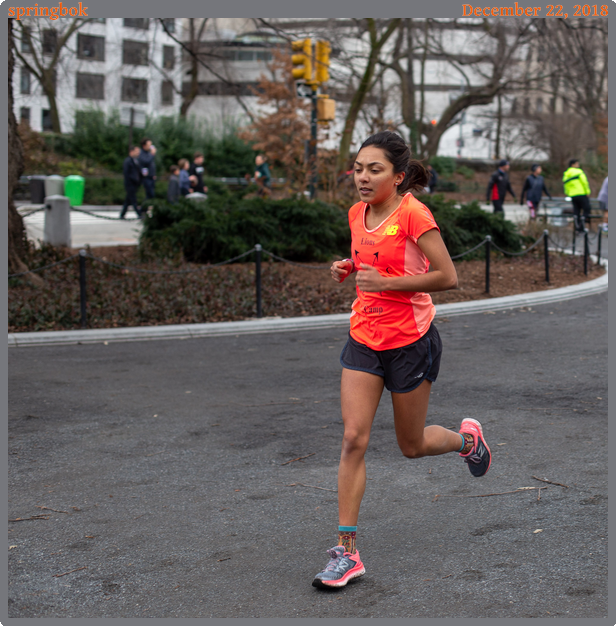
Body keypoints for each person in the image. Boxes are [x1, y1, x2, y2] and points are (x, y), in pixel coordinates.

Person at [312, 131, 492, 590]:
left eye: (374, 169)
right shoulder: (357, 214)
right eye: (358, 169)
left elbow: (447, 276)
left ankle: (467, 442)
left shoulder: (414, 213)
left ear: (397, 175)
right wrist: (348, 268)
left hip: (410, 340)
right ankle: (347, 553)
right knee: (353, 438)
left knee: (410, 445)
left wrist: (387, 284)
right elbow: (370, 259)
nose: (363, 178)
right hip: (364, 335)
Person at [562, 158, 592, 232]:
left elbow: (565, 185)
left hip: (573, 195)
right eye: (577, 164)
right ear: (573, 165)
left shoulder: (566, 174)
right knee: (587, 209)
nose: (578, 165)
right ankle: (582, 225)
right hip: (581, 193)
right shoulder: (579, 171)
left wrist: (568, 193)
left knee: (576, 210)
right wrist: (587, 191)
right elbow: (584, 182)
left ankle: (577, 227)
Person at [120, 144, 143, 219]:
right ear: (131, 151)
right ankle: (139, 214)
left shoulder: (136, 160)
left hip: (134, 184)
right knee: (133, 200)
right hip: (130, 184)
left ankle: (122, 214)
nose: (138, 153)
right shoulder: (128, 161)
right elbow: (126, 173)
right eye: (136, 151)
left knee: (128, 200)